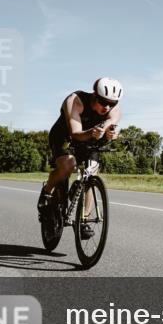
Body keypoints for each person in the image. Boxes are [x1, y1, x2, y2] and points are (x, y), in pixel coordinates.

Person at [37, 78, 122, 237]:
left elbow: (111, 123)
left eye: (112, 103)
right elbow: (75, 133)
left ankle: (83, 220)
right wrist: (93, 132)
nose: (107, 107)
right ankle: (47, 191)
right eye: (104, 102)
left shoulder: (113, 109)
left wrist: (112, 134)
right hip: (65, 136)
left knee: (91, 172)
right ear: (95, 95)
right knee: (68, 165)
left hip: (90, 140)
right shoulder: (75, 101)